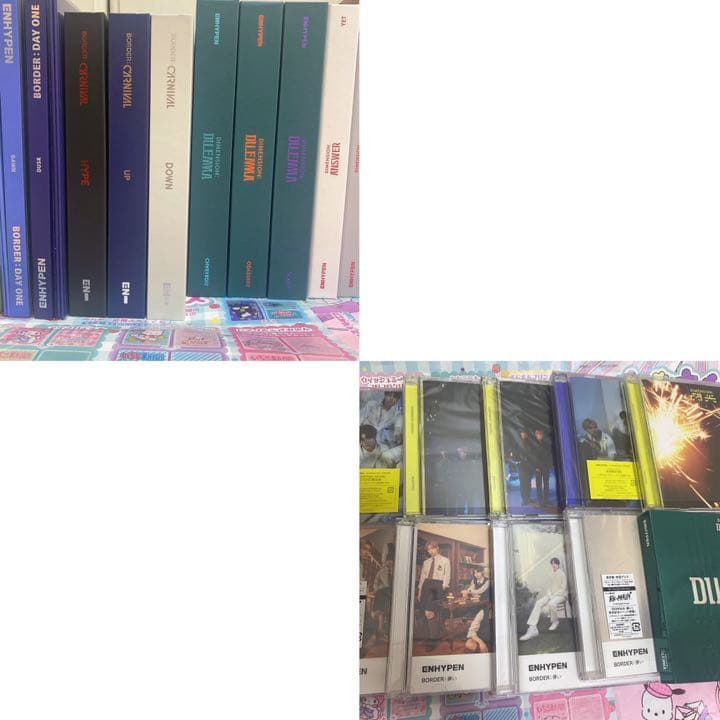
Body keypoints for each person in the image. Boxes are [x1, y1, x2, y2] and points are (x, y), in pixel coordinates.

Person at [519, 557, 568, 641]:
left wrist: (553, 595)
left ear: (558, 564)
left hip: (560, 595)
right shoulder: (551, 574)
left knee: (551, 603)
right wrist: (549, 594)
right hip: (550, 595)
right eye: (552, 563)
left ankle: (555, 621)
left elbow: (562, 588)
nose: (553, 565)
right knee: (538, 603)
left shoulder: (562, 574)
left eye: (555, 563)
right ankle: (532, 628)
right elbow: (548, 587)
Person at [417, 541, 450, 651]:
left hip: (437, 587)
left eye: (432, 548)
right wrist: (420, 591)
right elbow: (422, 577)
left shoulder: (445, 560)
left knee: (429, 612)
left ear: (437, 548)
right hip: (426, 586)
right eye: (428, 550)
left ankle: (433, 640)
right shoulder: (426, 562)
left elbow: (447, 577)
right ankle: (428, 637)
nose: (430, 551)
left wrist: (441, 589)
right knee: (424, 612)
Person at [463, 565, 491, 652]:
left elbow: (480, 591)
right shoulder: (474, 580)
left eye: (478, 572)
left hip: (485, 604)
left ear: (482, 572)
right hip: (477, 603)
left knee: (482, 615)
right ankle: (474, 631)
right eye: (474, 573)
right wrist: (466, 592)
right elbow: (471, 589)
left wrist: (469, 591)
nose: (476, 574)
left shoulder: (488, 581)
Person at [508, 428, 536, 505]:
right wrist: (518, 461)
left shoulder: (529, 443)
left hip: (529, 466)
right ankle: (524, 500)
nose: (525, 434)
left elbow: (532, 453)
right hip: (521, 466)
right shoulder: (516, 443)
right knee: (523, 483)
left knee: (528, 483)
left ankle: (528, 498)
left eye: (526, 433)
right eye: (523, 433)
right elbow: (513, 454)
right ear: (520, 434)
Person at [532, 428, 554, 505]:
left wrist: (549, 465)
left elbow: (549, 455)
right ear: (535, 435)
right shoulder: (533, 444)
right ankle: (540, 500)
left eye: (540, 434)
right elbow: (533, 457)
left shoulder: (546, 444)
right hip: (537, 468)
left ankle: (546, 500)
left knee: (546, 484)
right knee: (538, 485)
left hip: (545, 467)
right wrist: (536, 467)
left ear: (542, 435)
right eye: (538, 434)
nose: (539, 435)